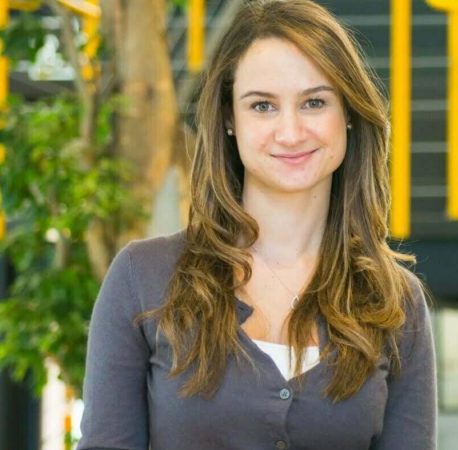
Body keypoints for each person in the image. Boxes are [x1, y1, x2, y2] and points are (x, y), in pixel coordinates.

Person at [77, 1, 436, 449]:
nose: (290, 132)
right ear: (230, 118)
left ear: (347, 112)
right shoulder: (143, 277)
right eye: (263, 106)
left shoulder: (395, 302)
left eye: (314, 102)